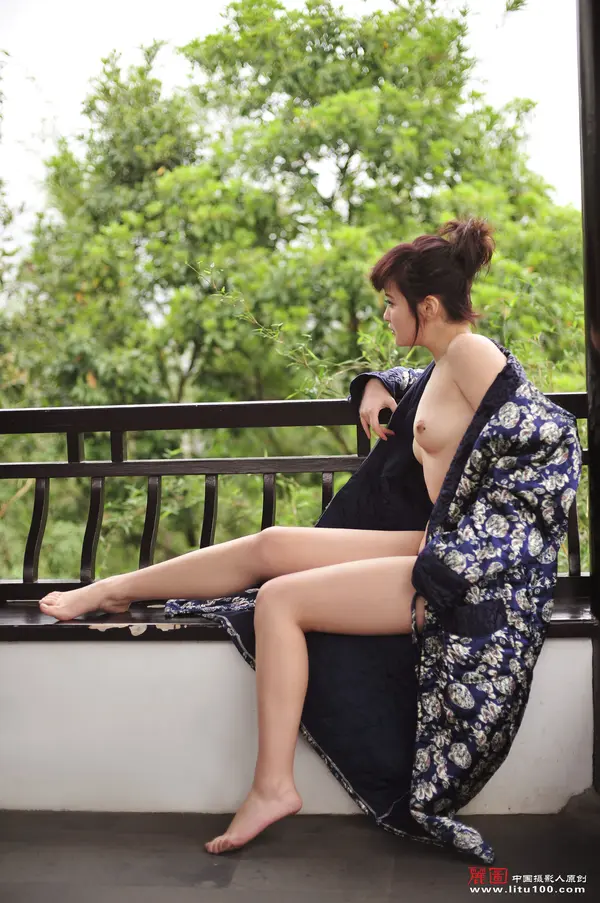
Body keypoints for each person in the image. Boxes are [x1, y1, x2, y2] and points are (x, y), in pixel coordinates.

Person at [38, 218, 520, 855]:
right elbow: (444, 403)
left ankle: (272, 787)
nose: (385, 314)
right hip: (433, 542)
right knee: (271, 545)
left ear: (426, 307)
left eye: (391, 303)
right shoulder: (443, 363)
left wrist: (487, 547)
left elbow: (541, 438)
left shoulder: (471, 354)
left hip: (463, 567)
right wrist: (380, 383)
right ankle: (116, 589)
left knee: (279, 599)